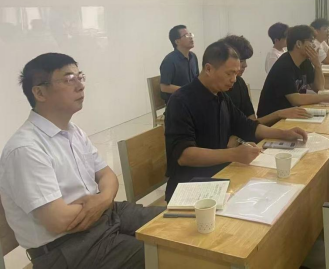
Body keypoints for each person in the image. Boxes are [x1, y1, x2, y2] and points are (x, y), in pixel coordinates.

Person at [0, 54, 165, 269]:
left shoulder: (73, 131)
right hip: (67, 248)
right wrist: (104, 199)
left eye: (80, 77)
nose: (80, 85)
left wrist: (101, 200)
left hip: (104, 216)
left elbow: (108, 176)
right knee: (166, 254)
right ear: (39, 92)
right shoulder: (25, 149)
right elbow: (59, 221)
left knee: (175, 224)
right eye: (69, 79)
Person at [164, 41, 308, 201]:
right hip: (190, 187)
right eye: (229, 73)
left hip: (219, 175)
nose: (234, 79)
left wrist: (284, 133)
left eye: (236, 73)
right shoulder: (181, 101)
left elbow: (247, 126)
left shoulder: (220, 95)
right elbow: (184, 155)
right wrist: (234, 154)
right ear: (209, 69)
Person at [220, 35, 312, 128]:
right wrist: (279, 114)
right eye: (241, 61)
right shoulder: (216, 90)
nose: (245, 65)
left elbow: (251, 123)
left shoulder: (240, 83)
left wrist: (279, 114)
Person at [257, 25, 329, 118]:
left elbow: (319, 88)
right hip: (273, 119)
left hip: (292, 113)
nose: (313, 45)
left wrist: (317, 65)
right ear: (299, 44)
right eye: (311, 41)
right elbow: (295, 99)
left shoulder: (305, 61)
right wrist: (328, 97)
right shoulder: (284, 65)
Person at [159, 25, 199, 103]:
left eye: (190, 34)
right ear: (177, 42)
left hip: (191, 100)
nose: (191, 37)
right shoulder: (169, 60)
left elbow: (197, 78)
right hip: (177, 103)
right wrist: (187, 91)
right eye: (186, 35)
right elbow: (164, 87)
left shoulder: (193, 57)